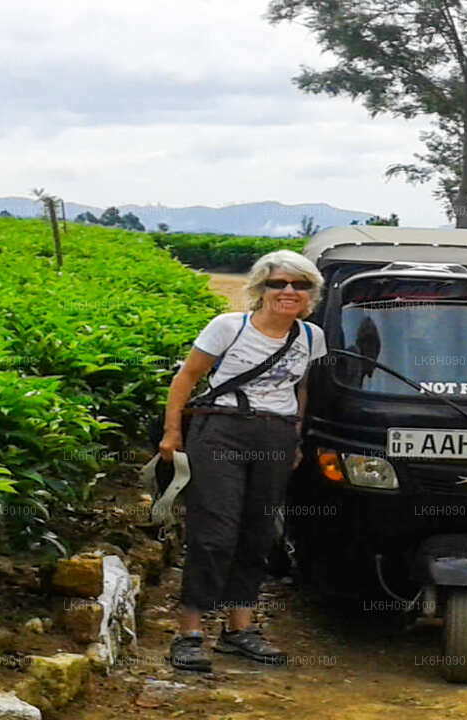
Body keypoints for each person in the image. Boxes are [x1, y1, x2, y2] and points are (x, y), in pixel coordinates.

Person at [159, 249, 327, 671]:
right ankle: (189, 633)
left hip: (276, 435)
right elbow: (187, 377)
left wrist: (295, 438)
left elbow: (301, 389)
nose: (289, 292)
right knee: (213, 533)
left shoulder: (311, 337)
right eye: (278, 283)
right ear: (260, 289)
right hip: (221, 430)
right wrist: (172, 432)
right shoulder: (228, 327)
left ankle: (239, 629)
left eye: (300, 285)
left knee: (258, 533)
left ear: (311, 294)